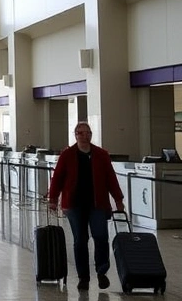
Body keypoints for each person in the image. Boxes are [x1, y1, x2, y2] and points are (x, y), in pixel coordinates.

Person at [47, 121, 125, 291]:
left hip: (97, 203)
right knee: (80, 240)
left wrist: (118, 199)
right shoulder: (67, 155)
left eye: (87, 132)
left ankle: (102, 271)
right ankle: (83, 277)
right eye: (80, 133)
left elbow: (111, 178)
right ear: (75, 135)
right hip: (74, 204)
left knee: (101, 236)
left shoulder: (101, 155)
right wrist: (53, 198)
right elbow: (58, 177)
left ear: (91, 134)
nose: (84, 135)